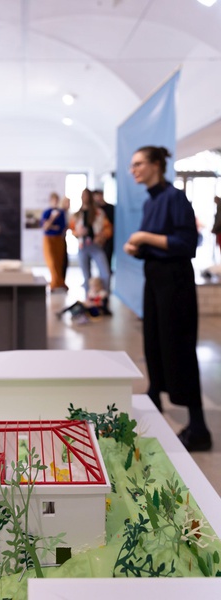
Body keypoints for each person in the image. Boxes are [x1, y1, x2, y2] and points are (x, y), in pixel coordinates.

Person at [124, 145, 212, 452]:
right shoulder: (151, 201)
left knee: (179, 347)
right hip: (156, 279)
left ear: (156, 165)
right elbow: (158, 245)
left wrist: (142, 238)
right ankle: (154, 397)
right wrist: (138, 249)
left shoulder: (174, 197)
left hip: (175, 281)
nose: (133, 170)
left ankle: (199, 427)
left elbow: (186, 244)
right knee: (154, 341)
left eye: (138, 164)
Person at [70, 188, 112, 294]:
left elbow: (108, 229)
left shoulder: (99, 213)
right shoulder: (77, 215)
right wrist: (78, 233)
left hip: (96, 245)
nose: (85, 198)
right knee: (86, 276)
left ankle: (104, 297)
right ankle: (88, 298)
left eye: (86, 195)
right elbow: (72, 230)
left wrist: (102, 236)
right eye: (83, 195)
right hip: (82, 246)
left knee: (105, 273)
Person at [41, 192, 68, 292]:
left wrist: (52, 226)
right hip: (48, 239)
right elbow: (45, 227)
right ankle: (54, 284)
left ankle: (59, 283)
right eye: (54, 200)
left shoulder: (61, 213)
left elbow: (62, 228)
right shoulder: (47, 212)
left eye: (57, 200)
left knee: (59, 262)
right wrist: (52, 219)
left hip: (59, 239)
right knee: (52, 262)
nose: (55, 202)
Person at [92, 189, 115, 273]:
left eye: (99, 195)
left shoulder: (111, 208)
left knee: (107, 257)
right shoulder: (95, 209)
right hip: (98, 238)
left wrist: (105, 233)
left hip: (109, 237)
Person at [60, 196, 71, 281]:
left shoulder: (68, 214)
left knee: (65, 261)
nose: (69, 204)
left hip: (64, 238)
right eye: (67, 202)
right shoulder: (60, 213)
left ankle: (62, 280)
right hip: (59, 239)